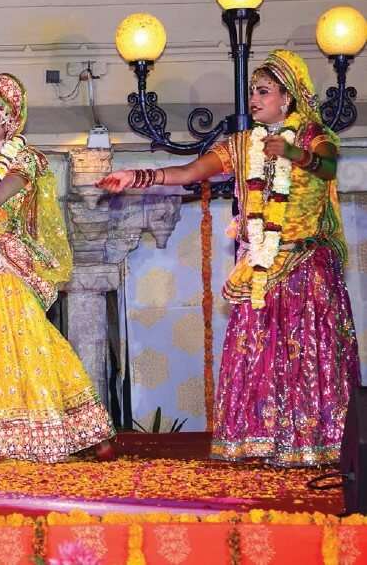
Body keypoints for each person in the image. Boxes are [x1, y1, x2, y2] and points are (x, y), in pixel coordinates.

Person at [98, 50, 360, 467]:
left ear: (287, 99)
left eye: (263, 91)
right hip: (258, 266)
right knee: (256, 354)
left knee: (305, 356)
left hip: (305, 270)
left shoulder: (313, 134)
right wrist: (135, 177)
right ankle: (257, 440)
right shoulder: (243, 145)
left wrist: (292, 154)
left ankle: (313, 444)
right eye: (252, 91)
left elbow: (328, 167)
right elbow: (187, 173)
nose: (253, 99)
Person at [0, 73, 116, 463]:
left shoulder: (22, 160)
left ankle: (85, 428)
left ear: (10, 124)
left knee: (31, 345)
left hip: (4, 268)